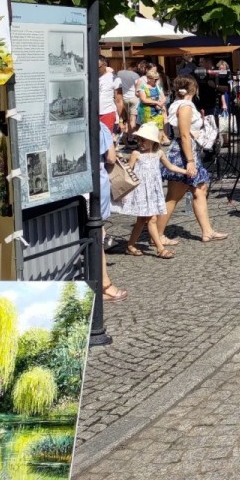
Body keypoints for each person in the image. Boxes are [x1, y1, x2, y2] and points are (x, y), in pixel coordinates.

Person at [160, 76, 228, 244]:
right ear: (194, 89)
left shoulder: (179, 104)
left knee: (200, 189)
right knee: (174, 196)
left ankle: (207, 231)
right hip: (184, 154)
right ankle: (158, 233)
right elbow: (183, 134)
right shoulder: (185, 106)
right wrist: (190, 161)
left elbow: (186, 132)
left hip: (189, 152)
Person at [118, 122, 186, 259]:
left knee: (141, 220)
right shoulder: (136, 154)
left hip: (153, 192)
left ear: (153, 141)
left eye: (143, 140)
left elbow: (170, 167)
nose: (140, 143)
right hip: (140, 192)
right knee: (152, 219)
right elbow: (128, 174)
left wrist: (185, 171)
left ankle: (130, 245)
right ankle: (161, 249)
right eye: (138, 140)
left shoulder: (159, 153)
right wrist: (124, 192)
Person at [97, 122, 128, 301]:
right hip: (96, 183)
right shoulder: (99, 126)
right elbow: (110, 157)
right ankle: (104, 284)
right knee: (97, 231)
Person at [98, 57, 123, 134]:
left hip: (107, 113)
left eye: (97, 67)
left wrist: (120, 120)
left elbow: (119, 100)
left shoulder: (114, 78)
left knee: (107, 140)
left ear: (104, 65)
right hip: (93, 115)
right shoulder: (90, 77)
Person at [116, 62, 140, 138]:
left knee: (128, 118)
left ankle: (128, 135)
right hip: (134, 98)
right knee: (133, 119)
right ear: (133, 67)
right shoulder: (135, 75)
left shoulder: (119, 73)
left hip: (124, 98)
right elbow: (138, 87)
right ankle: (132, 137)